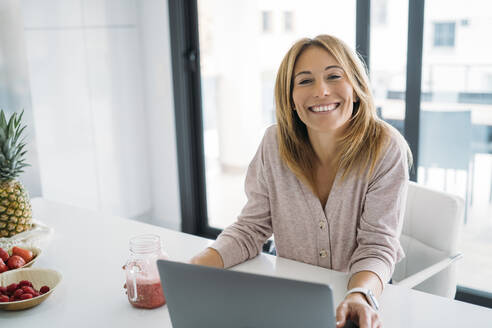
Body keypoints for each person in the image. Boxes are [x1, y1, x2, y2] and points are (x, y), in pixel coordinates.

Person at [190, 34, 412, 328]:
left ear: (356, 89)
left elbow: (377, 246)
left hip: (358, 301)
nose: (321, 90)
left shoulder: (385, 148)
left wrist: (359, 295)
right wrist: (191, 270)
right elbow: (250, 228)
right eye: (305, 81)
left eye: (334, 76)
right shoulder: (273, 143)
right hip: (291, 301)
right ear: (291, 99)